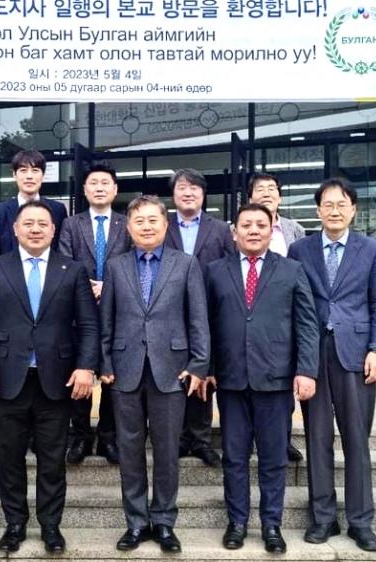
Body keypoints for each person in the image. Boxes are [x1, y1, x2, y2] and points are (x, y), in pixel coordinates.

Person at [0, 201, 100, 554]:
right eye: (28, 223)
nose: (36, 229)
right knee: (9, 458)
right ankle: (15, 524)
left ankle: (51, 526)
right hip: (5, 380)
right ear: (15, 229)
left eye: (43, 223)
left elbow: (88, 324)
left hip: (57, 380)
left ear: (54, 230)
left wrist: (86, 367)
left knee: (53, 460)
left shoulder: (73, 269)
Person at [205, 203, 320, 553]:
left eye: (260, 225)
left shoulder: (292, 270)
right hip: (230, 380)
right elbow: (204, 325)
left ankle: (272, 524)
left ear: (272, 231)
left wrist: (306, 370)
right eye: (246, 225)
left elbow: (307, 325)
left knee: (273, 458)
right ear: (234, 232)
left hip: (276, 379)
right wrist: (206, 369)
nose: (253, 230)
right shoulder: (214, 271)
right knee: (234, 457)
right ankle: (237, 522)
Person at [287, 178, 376, 552]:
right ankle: (323, 518)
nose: (334, 210)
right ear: (318, 210)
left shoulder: (372, 250)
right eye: (328, 204)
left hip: (357, 353)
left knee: (356, 439)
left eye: (341, 204)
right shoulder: (300, 249)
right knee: (317, 438)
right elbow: (294, 303)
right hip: (313, 353)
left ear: (353, 210)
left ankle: (361, 522)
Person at [100, 195, 210, 554]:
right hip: (125, 370)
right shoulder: (115, 266)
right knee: (129, 449)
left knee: (166, 449)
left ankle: (163, 522)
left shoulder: (186, 263)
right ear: (129, 228)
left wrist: (199, 364)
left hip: (172, 370)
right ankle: (135, 522)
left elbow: (198, 318)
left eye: (153, 220)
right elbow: (107, 320)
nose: (146, 227)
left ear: (165, 225)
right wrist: (105, 362)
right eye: (139, 221)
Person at [58, 162, 130, 465]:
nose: (99, 188)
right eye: (93, 183)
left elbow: (131, 261)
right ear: (85, 190)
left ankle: (108, 437)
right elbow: (64, 261)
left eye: (105, 183)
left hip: (119, 310)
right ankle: (81, 437)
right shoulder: (71, 224)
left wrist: (108, 285)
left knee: (113, 376)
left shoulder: (126, 223)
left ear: (115, 189)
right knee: (81, 371)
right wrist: (87, 286)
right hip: (80, 309)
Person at [164, 168, 235, 468]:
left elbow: (231, 265)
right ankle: (180, 437)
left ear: (203, 194)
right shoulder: (161, 224)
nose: (188, 193)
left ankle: (201, 439)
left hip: (209, 309)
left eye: (194, 188)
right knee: (174, 374)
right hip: (169, 310)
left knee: (204, 371)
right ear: (173, 194)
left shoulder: (220, 229)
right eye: (182, 187)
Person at [248, 172, 306, 463]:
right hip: (249, 313)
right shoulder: (239, 227)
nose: (267, 193)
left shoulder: (295, 229)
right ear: (250, 197)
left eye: (272, 189)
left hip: (284, 313)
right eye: (260, 189)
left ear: (280, 198)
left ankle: (282, 438)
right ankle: (250, 438)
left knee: (282, 382)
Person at [0, 149, 67, 258]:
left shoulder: (57, 210)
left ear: (43, 175)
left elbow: (60, 251)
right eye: (23, 170)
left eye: (35, 170)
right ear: (14, 175)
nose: (29, 176)